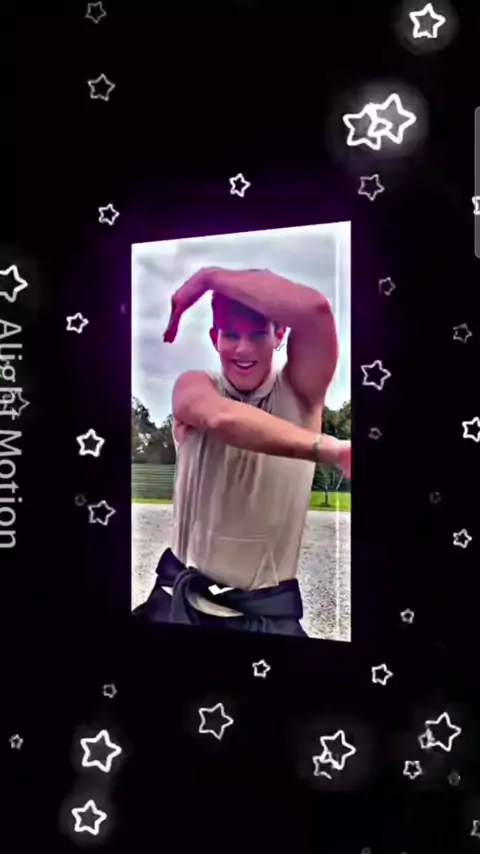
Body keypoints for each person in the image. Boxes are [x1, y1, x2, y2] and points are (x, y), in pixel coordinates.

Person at [134, 266, 351, 636]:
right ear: (214, 338)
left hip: (265, 620)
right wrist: (325, 447)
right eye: (231, 334)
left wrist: (209, 278)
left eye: (257, 333)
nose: (243, 349)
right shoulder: (194, 385)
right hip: (177, 605)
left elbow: (314, 310)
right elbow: (220, 418)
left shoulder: (301, 393)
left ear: (280, 334)